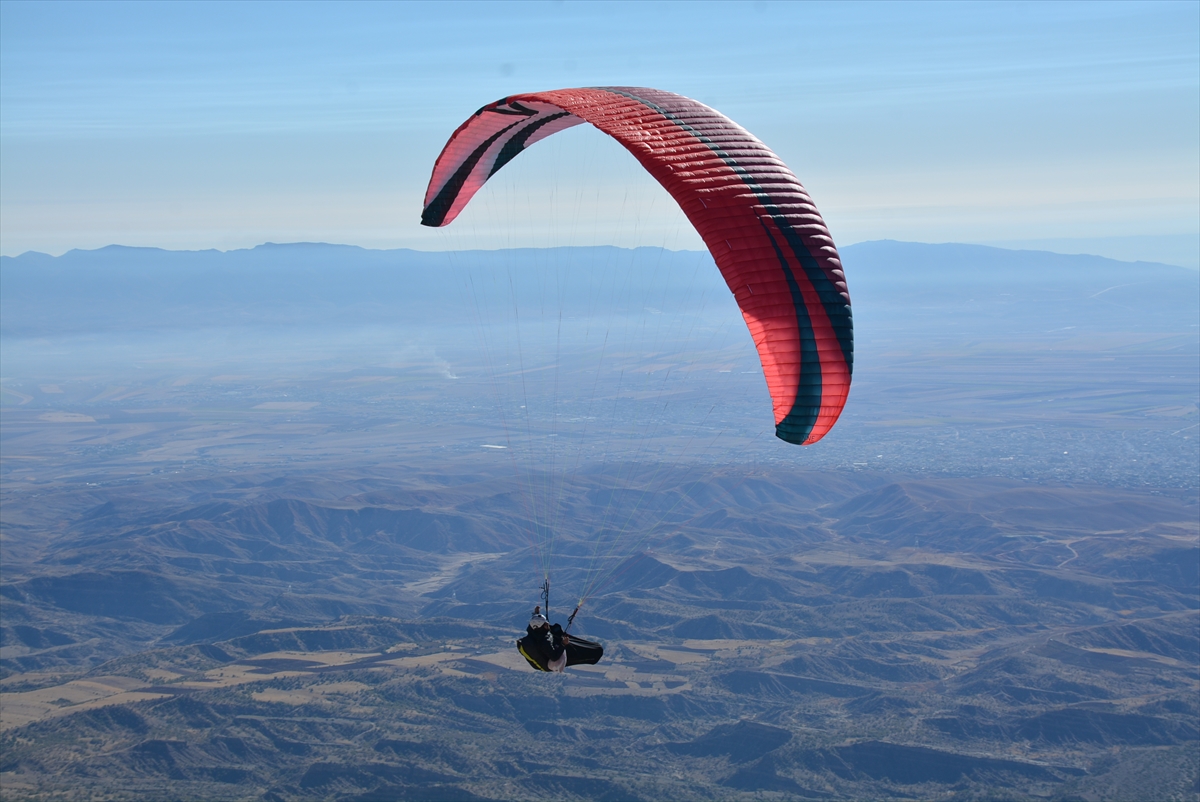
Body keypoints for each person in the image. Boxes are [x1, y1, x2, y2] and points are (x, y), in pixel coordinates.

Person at [516, 605, 604, 672]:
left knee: (556, 630)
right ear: (541, 627)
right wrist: (563, 644)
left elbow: (535, 622)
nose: (548, 624)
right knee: (577, 650)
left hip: (549, 647)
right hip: (552, 661)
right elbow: (554, 657)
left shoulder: (534, 629)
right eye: (546, 624)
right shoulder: (544, 642)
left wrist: (536, 614)